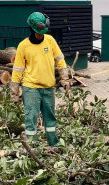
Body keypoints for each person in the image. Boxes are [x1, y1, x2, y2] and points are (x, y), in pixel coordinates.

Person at [9, 12, 71, 147]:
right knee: (31, 117)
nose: (40, 35)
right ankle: (31, 147)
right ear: (32, 29)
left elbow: (60, 60)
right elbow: (17, 69)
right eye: (38, 32)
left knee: (50, 118)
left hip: (48, 87)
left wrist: (65, 78)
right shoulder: (23, 46)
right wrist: (14, 92)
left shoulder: (50, 40)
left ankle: (54, 144)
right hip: (30, 87)